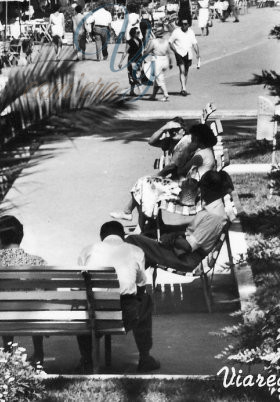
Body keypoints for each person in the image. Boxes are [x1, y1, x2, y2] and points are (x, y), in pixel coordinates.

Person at [76, 221, 159, 374]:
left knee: (83, 304)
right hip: (126, 316)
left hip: (94, 315)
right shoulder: (136, 251)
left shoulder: (88, 250)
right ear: (123, 236)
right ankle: (145, 357)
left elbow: (80, 282)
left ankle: (87, 359)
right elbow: (141, 284)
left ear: (102, 236)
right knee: (145, 301)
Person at [111, 123, 217, 228]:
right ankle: (133, 216)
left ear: (198, 139)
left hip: (188, 196)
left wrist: (187, 152)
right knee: (147, 182)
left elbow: (181, 171)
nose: (190, 141)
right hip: (191, 191)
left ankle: (138, 222)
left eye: (192, 139)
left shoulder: (200, 155)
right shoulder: (206, 152)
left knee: (147, 183)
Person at [126, 170, 234, 272]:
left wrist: (171, 238)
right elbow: (191, 233)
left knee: (134, 240)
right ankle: (136, 284)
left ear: (210, 190)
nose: (200, 192)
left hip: (186, 259)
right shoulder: (214, 207)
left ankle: (132, 283)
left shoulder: (213, 217)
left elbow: (188, 246)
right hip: (184, 250)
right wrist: (172, 233)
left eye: (202, 188)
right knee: (149, 234)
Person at [0, 215, 46, 366]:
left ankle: (8, 351)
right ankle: (39, 352)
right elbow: (47, 292)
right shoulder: (38, 262)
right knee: (36, 303)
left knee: (1, 305)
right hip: (33, 317)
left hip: (0, 317)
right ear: (20, 237)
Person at [167, 19, 200, 96]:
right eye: (182, 24)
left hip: (188, 53)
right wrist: (175, 51)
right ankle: (184, 89)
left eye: (186, 24)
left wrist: (197, 53)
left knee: (186, 71)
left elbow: (195, 43)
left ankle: (183, 87)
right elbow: (170, 42)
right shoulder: (176, 32)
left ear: (188, 25)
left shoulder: (191, 32)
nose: (184, 26)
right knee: (182, 70)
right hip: (179, 52)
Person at [142, 26, 170, 102]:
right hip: (165, 59)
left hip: (157, 60)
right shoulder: (166, 41)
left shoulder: (154, 41)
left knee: (159, 78)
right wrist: (170, 62)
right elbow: (168, 52)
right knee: (157, 79)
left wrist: (143, 53)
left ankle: (165, 94)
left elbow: (147, 52)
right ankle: (153, 95)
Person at [125, 23, 145, 97]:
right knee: (134, 75)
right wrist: (120, 62)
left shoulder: (140, 41)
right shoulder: (129, 42)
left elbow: (142, 51)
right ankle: (141, 90)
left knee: (137, 74)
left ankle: (132, 91)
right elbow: (125, 52)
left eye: (139, 32)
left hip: (139, 59)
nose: (139, 34)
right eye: (137, 32)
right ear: (133, 33)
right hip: (132, 60)